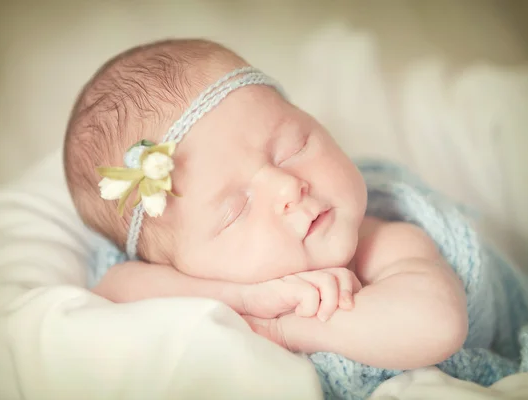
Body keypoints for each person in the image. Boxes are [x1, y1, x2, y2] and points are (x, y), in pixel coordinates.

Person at [63, 38, 468, 371]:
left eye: (294, 148)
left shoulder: (384, 240)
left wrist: (286, 330)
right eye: (235, 211)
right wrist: (243, 299)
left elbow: (439, 323)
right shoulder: (187, 278)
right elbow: (112, 291)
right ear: (169, 264)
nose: (288, 188)